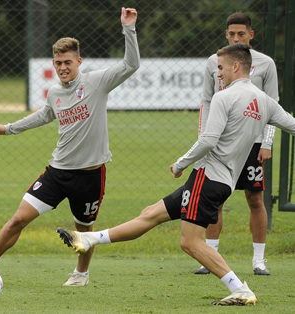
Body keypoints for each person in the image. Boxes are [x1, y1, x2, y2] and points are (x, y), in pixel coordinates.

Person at [57, 43, 295, 305]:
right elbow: (292, 125)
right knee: (151, 214)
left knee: (190, 242)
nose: (218, 73)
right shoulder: (265, 101)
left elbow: (208, 140)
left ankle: (240, 289)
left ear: (235, 66)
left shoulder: (223, 97)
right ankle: (88, 238)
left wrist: (181, 163)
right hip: (222, 181)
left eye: (220, 67)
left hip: (207, 176)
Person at [0, 7, 140, 287]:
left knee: (84, 230)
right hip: (57, 173)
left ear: (79, 61)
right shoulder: (55, 92)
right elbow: (44, 115)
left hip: (90, 175)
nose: (62, 68)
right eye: (58, 63)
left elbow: (131, 65)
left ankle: (81, 274)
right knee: (19, 218)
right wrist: (8, 128)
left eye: (67, 62)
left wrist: (128, 27)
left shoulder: (97, 82)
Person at [194, 12, 278, 276]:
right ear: (225, 35)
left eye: (241, 34)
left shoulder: (265, 64)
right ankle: (210, 257)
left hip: (252, 143)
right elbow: (206, 101)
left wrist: (267, 142)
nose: (236, 38)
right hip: (219, 144)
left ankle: (258, 260)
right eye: (231, 34)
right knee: (214, 198)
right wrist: (203, 138)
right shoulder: (213, 63)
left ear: (251, 35)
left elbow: (273, 105)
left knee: (255, 199)